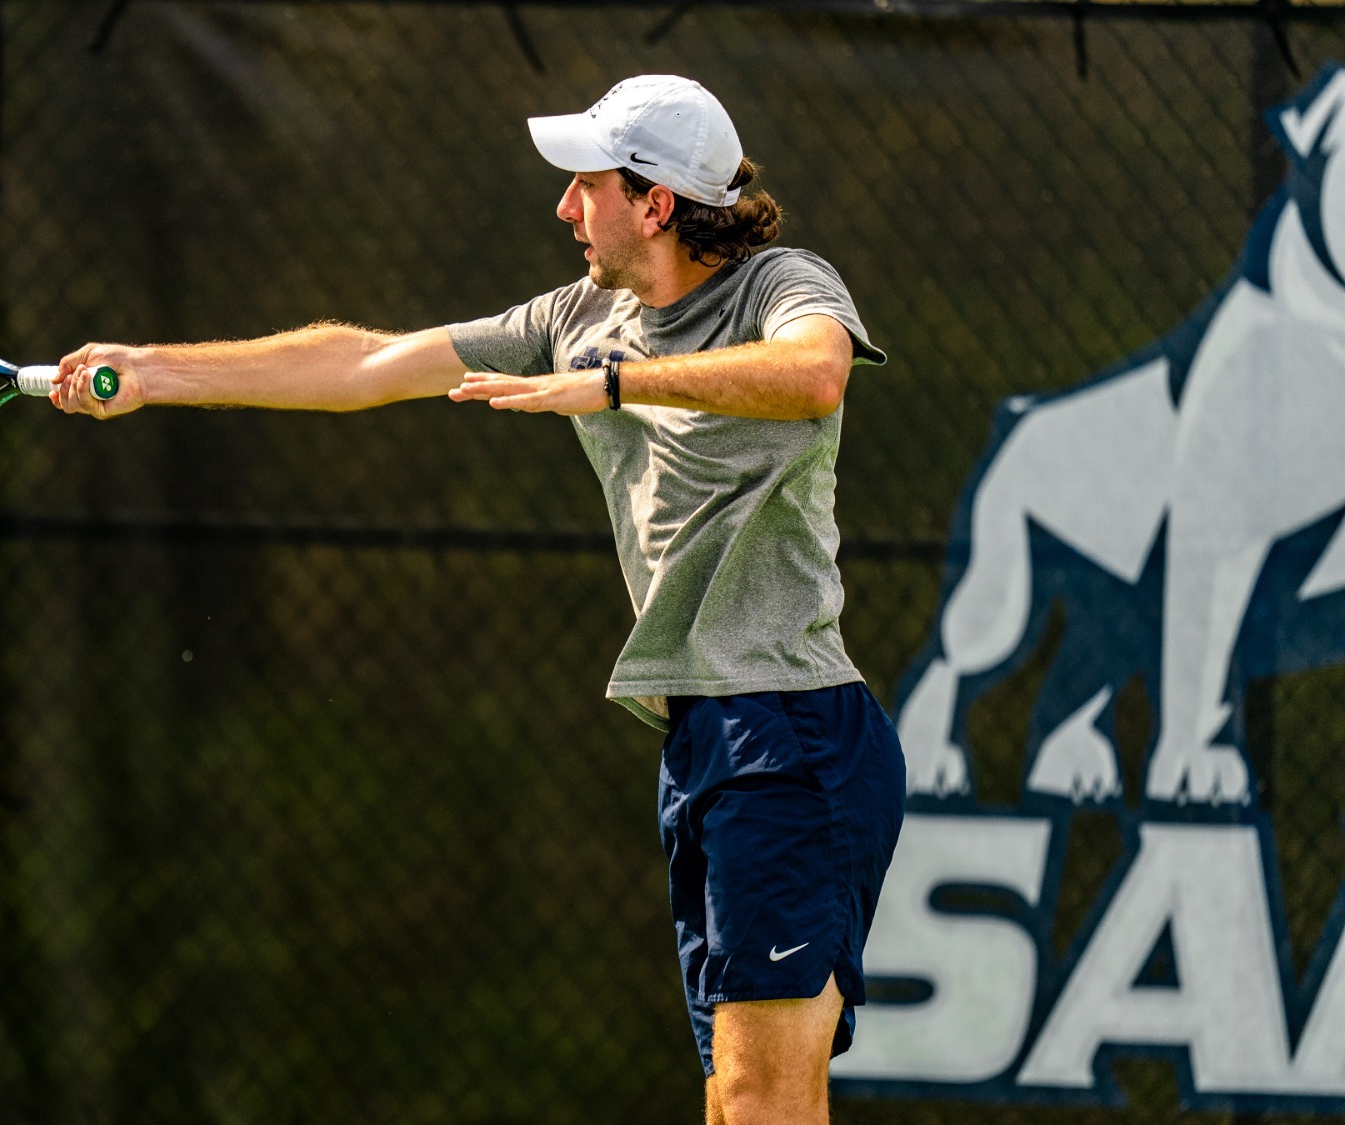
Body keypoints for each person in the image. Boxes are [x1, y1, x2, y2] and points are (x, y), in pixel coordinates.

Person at [46, 74, 905, 1125]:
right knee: (734, 1102)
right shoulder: (576, 316)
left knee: (763, 1100)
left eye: (585, 186)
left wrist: (619, 385)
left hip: (792, 735)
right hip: (705, 741)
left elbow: (815, 375)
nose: (561, 209)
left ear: (656, 203)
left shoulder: (781, 284)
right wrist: (156, 371)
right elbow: (364, 362)